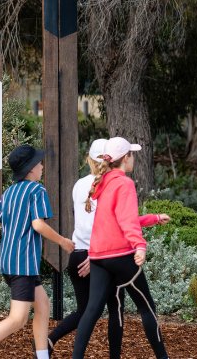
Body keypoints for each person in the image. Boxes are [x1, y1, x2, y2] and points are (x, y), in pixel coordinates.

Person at [46, 139, 170, 358]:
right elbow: (126, 220)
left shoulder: (102, 184)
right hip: (121, 256)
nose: (134, 158)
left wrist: (153, 218)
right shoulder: (124, 183)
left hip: (98, 258)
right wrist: (139, 245)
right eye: (132, 154)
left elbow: (114, 221)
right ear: (125, 158)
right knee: (146, 308)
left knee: (92, 310)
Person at [0, 144, 76, 359]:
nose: (42, 166)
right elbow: (38, 225)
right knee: (18, 319)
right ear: (31, 169)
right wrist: (63, 242)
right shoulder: (37, 190)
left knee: (42, 306)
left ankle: (42, 356)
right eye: (39, 163)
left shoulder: (9, 192)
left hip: (9, 263)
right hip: (23, 264)